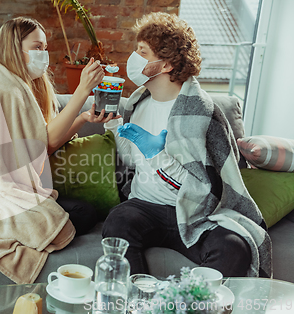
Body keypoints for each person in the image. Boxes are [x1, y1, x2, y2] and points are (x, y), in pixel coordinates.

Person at [0, 16, 117, 284]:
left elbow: (45, 144)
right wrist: (81, 92)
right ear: (15, 47)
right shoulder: (3, 86)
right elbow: (40, 145)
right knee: (80, 215)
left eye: (45, 48)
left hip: (18, 184)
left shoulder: (20, 84)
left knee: (83, 212)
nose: (44, 54)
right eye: (37, 47)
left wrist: (83, 119)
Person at [102, 12, 271, 277]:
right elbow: (133, 160)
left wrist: (157, 155)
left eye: (142, 52)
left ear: (166, 64)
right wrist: (113, 125)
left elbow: (199, 187)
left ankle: (181, 303)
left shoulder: (200, 112)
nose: (133, 59)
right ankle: (138, 301)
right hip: (144, 207)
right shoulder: (138, 104)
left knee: (235, 248)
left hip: (195, 213)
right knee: (118, 221)